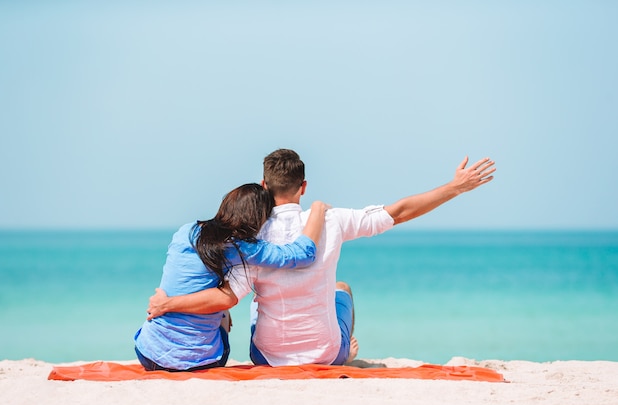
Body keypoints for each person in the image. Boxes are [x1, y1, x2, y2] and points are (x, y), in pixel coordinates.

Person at [146, 150, 496, 366]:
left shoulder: (249, 236)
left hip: (265, 356)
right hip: (325, 353)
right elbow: (400, 212)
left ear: (264, 186)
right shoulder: (333, 219)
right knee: (341, 287)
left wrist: (170, 303)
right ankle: (345, 348)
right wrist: (455, 187)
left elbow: (229, 296)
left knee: (255, 299)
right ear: (304, 186)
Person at [134, 182, 328, 372]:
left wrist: (167, 303)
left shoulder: (186, 231)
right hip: (200, 361)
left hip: (148, 354)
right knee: (224, 309)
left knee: (218, 305)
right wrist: (318, 209)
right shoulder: (240, 247)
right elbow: (302, 254)